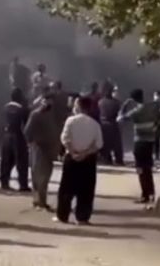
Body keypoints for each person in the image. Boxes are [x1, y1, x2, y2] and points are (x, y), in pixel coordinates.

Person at [55, 96, 103, 225]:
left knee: (66, 188)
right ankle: (82, 217)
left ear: (78, 107)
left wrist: (73, 152)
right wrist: (84, 153)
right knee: (86, 189)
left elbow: (65, 139)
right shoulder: (95, 124)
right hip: (88, 160)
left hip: (71, 159)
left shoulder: (70, 121)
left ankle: (63, 216)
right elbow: (98, 144)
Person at [119, 89, 160, 203]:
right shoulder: (152, 108)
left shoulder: (136, 112)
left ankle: (145, 194)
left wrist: (125, 105)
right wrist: (156, 130)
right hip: (150, 142)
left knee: (140, 169)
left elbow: (120, 118)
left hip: (139, 143)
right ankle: (151, 193)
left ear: (133, 100)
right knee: (148, 168)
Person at [24, 92, 60, 210]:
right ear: (42, 101)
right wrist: (32, 142)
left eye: (50, 101)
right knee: (38, 175)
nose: (48, 103)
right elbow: (27, 132)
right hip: (38, 148)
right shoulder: (35, 115)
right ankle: (39, 200)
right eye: (46, 100)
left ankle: (40, 200)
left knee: (46, 175)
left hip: (49, 149)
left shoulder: (52, 115)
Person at [0, 87, 30, 192]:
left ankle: (4, 182)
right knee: (21, 161)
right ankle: (23, 184)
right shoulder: (23, 110)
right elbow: (26, 125)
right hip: (18, 136)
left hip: (6, 135)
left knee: (6, 160)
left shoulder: (5, 108)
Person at [98, 81, 124, 165]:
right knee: (117, 144)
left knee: (105, 143)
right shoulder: (116, 102)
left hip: (103, 124)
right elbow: (120, 113)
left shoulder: (100, 102)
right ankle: (119, 160)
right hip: (113, 123)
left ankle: (106, 158)